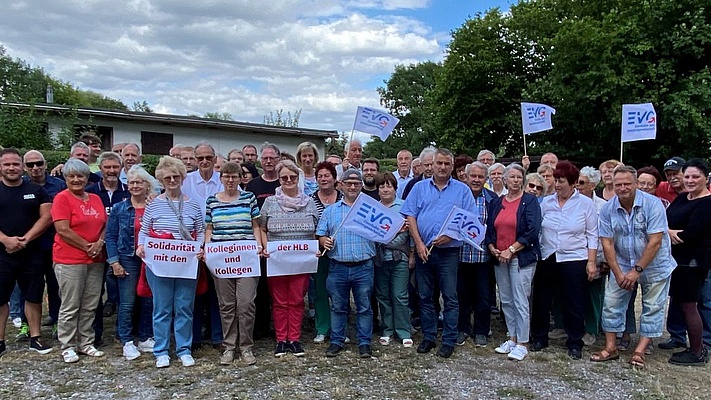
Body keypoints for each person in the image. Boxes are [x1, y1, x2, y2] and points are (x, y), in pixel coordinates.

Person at [590, 165, 676, 368]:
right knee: (611, 304)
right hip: (621, 263)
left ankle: (640, 350)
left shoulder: (653, 205)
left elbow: (655, 241)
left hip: (655, 265)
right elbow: (607, 242)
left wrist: (636, 271)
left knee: (653, 307)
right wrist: (618, 273)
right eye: (618, 184)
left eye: (627, 183)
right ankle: (611, 348)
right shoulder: (608, 209)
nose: (622, 188)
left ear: (636, 184)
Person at [401, 148, 476, 359]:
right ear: (432, 165)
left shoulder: (462, 191)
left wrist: (451, 236)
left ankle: (449, 340)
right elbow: (410, 216)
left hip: (449, 253)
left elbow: (470, 221)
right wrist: (418, 244)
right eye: (439, 163)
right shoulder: (419, 188)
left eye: (446, 164)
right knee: (425, 296)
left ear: (452, 167)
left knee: (450, 297)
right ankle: (429, 337)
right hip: (424, 251)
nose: (442, 167)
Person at [136, 156, 205, 368]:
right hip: (160, 264)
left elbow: (201, 231)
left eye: (176, 176)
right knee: (162, 308)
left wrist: (200, 248)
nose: (172, 180)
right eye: (168, 178)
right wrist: (140, 247)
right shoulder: (154, 205)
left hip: (185, 264)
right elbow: (145, 230)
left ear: (183, 178)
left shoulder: (193, 205)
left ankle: (184, 349)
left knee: (184, 307)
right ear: (161, 180)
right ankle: (162, 350)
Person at [531, 161, 598, 360]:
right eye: (556, 181)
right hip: (548, 256)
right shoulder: (546, 202)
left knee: (574, 301)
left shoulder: (586, 204)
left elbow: (592, 234)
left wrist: (591, 262)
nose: (557, 185)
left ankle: (575, 341)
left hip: (574, 258)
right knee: (542, 299)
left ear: (572, 182)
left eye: (561, 181)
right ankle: (539, 337)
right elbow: (538, 229)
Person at [205, 162, 262, 366]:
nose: (230, 180)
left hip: (246, 258)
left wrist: (258, 246)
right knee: (226, 305)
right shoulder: (212, 201)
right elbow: (209, 228)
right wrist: (206, 248)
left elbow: (256, 225)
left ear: (240, 178)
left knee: (246, 303)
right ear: (221, 178)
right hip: (221, 259)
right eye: (226, 176)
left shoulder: (249, 198)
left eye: (234, 176)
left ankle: (246, 346)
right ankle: (229, 346)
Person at [259, 160, 318, 357]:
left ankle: (294, 338)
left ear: (298, 178)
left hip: (302, 261)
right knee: (279, 301)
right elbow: (262, 228)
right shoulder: (269, 202)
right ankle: (280, 340)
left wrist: (315, 248)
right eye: (284, 177)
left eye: (292, 177)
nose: (289, 180)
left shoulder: (309, 202)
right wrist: (265, 246)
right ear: (279, 179)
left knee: (296, 300)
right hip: (277, 261)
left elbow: (317, 229)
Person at [52, 158, 108, 363]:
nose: (76, 180)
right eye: (71, 176)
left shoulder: (95, 198)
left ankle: (86, 342)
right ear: (65, 178)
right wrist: (87, 246)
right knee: (70, 304)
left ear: (87, 177)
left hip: (95, 259)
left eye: (80, 176)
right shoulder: (61, 198)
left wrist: (99, 243)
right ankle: (67, 345)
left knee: (91, 303)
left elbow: (104, 223)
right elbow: (62, 229)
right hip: (69, 259)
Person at [317, 169, 376, 358]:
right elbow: (320, 233)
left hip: (363, 266)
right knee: (338, 306)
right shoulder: (330, 210)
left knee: (364, 307)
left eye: (356, 183)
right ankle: (336, 341)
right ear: (340, 185)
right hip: (338, 266)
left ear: (361, 186)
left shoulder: (371, 209)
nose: (352, 186)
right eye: (348, 183)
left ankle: (364, 342)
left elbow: (384, 230)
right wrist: (323, 240)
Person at [484, 163, 541, 361]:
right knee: (506, 299)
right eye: (512, 177)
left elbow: (532, 231)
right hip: (500, 257)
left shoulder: (529, 201)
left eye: (519, 177)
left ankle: (523, 342)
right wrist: (492, 247)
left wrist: (512, 249)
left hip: (521, 258)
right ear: (504, 180)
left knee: (520, 299)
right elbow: (490, 229)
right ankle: (512, 337)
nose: (516, 180)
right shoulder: (497, 202)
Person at [0, 148, 53, 356]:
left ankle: (35, 337)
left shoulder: (37, 190)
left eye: (15, 164)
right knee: (1, 298)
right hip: (2, 253)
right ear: (1, 167)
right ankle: (1, 341)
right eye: (7, 164)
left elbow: (47, 217)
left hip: (32, 253)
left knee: (33, 296)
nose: (12, 168)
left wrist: (26, 239)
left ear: (22, 166)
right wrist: (5, 240)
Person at [105, 165, 157, 361]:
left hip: (151, 259)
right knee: (127, 302)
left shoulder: (155, 206)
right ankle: (126, 340)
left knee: (148, 299)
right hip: (127, 258)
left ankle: (145, 337)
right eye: (131, 182)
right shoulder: (119, 208)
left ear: (147, 185)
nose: (135, 185)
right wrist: (114, 262)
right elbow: (110, 237)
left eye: (139, 182)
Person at [665, 159, 711, 366]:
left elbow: (691, 234)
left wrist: (672, 233)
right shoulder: (682, 198)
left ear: (706, 178)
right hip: (676, 260)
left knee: (689, 306)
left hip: (692, 262)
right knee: (681, 304)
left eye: (696, 176)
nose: (690, 180)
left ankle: (697, 352)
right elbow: (664, 221)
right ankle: (687, 343)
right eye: (688, 176)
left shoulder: (707, 203)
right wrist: (669, 232)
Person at [181, 143, 224, 350]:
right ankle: (194, 337)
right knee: (194, 291)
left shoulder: (224, 181)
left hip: (219, 243)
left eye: (209, 157)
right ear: (195, 160)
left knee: (218, 292)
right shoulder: (185, 182)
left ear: (215, 159)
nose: (205, 161)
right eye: (200, 158)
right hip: (191, 244)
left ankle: (218, 336)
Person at [86, 151, 130, 345]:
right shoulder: (90, 192)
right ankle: (95, 335)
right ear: (100, 169)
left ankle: (123, 332)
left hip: (122, 250)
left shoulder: (129, 190)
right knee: (94, 293)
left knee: (122, 295)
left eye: (115, 167)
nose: (111, 171)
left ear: (121, 169)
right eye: (107, 167)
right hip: (94, 249)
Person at [22, 150, 66, 337]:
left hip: (55, 243)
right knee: (30, 286)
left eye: (39, 163)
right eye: (30, 164)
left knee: (56, 286)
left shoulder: (59, 185)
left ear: (46, 164)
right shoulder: (20, 186)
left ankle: (56, 320)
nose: (35, 168)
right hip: (30, 246)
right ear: (25, 167)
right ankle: (28, 325)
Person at [456, 161, 496, 348]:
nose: (477, 180)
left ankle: (481, 330)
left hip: (483, 257)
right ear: (466, 176)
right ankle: (462, 329)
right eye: (474, 176)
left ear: (486, 179)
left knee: (483, 296)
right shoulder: (458, 196)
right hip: (461, 254)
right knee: (461, 295)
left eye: (481, 177)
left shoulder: (492, 198)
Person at [246, 142, 282, 340]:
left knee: (276, 287)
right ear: (261, 160)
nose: (268, 161)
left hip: (280, 244)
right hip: (258, 241)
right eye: (265, 158)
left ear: (278, 160)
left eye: (272, 158)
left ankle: (278, 326)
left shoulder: (284, 182)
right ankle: (260, 326)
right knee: (259, 288)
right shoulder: (253, 185)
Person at [374, 173, 413, 347]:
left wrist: (412, 255)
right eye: (382, 186)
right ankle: (387, 330)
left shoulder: (404, 207)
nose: (385, 189)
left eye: (389, 186)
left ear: (395, 189)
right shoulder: (373, 208)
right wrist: (395, 231)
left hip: (400, 257)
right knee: (383, 295)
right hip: (380, 258)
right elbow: (373, 234)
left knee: (400, 295)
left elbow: (410, 233)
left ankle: (404, 330)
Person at [310, 161, 342, 343]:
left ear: (334, 178)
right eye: (320, 176)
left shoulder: (344, 198)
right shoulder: (309, 200)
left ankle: (340, 329)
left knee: (339, 292)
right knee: (320, 291)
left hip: (340, 252)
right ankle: (322, 328)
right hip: (319, 253)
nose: (323, 179)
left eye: (327, 175)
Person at [577, 166, 608, 346]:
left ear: (593, 185)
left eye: (582, 183)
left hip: (596, 256)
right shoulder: (571, 202)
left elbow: (606, 235)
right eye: (577, 182)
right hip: (573, 255)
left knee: (593, 294)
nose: (577, 186)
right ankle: (563, 325)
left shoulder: (603, 207)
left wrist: (602, 261)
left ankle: (591, 329)